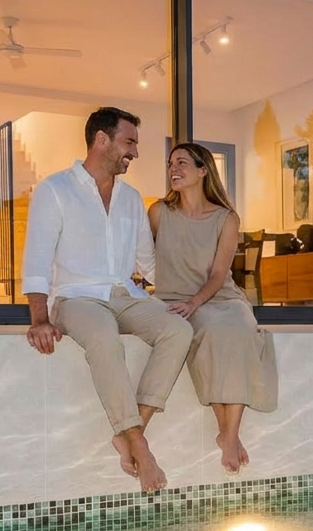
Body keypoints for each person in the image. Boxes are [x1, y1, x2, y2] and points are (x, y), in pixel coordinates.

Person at [21, 107, 192, 493]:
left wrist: (198, 294)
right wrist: (39, 319)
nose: (135, 151)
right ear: (102, 140)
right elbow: (36, 259)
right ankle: (141, 447)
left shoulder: (131, 198)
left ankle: (132, 432)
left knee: (178, 330)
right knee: (102, 335)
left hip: (122, 294)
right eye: (129, 142)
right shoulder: (54, 190)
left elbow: (149, 264)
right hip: (75, 298)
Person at [149, 142, 278, 475]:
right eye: (170, 164)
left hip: (219, 296)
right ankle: (228, 435)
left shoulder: (226, 218)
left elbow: (220, 274)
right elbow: (141, 257)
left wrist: (195, 302)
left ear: (203, 170)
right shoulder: (159, 212)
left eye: (181, 163)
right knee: (213, 332)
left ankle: (229, 434)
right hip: (175, 298)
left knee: (241, 329)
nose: (173, 169)